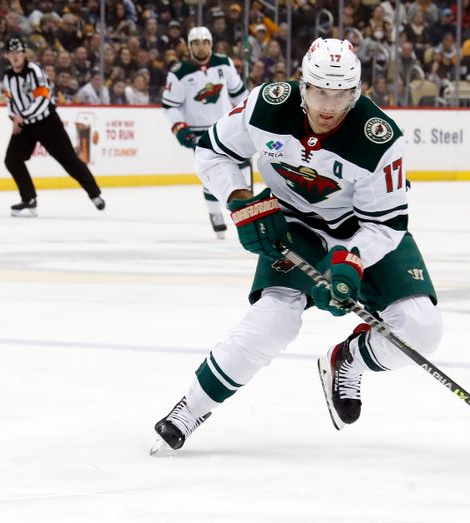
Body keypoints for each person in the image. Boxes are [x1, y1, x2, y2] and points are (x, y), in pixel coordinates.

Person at [151, 38, 442, 454]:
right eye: (321, 91)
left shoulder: (379, 139)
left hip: (360, 229)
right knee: (274, 319)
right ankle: (191, 408)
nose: (329, 106)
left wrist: (351, 260)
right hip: (292, 225)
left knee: (422, 330)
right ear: (303, 85)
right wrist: (238, 200)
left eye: (342, 95)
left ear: (356, 92)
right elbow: (212, 154)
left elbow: (386, 225)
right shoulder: (266, 105)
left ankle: (347, 360)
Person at [1, 35, 104, 217]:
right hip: (25, 125)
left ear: (24, 53)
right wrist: (13, 117)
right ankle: (29, 199)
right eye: (11, 53)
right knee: (11, 159)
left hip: (47, 122)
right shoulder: (8, 77)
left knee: (68, 159)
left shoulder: (35, 71)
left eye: (18, 52)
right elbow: (10, 101)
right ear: (7, 56)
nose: (15, 56)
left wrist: (22, 116)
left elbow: (42, 99)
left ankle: (94, 194)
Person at [162, 26, 248, 239]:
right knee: (213, 178)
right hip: (200, 136)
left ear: (210, 44)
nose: (201, 47)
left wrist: (249, 117)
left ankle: (246, 217)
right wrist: (180, 128)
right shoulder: (179, 72)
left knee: (243, 172)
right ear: (190, 46)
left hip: (226, 129)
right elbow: (170, 106)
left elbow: (240, 94)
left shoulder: (224, 63)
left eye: (204, 42)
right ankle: (215, 213)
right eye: (196, 43)